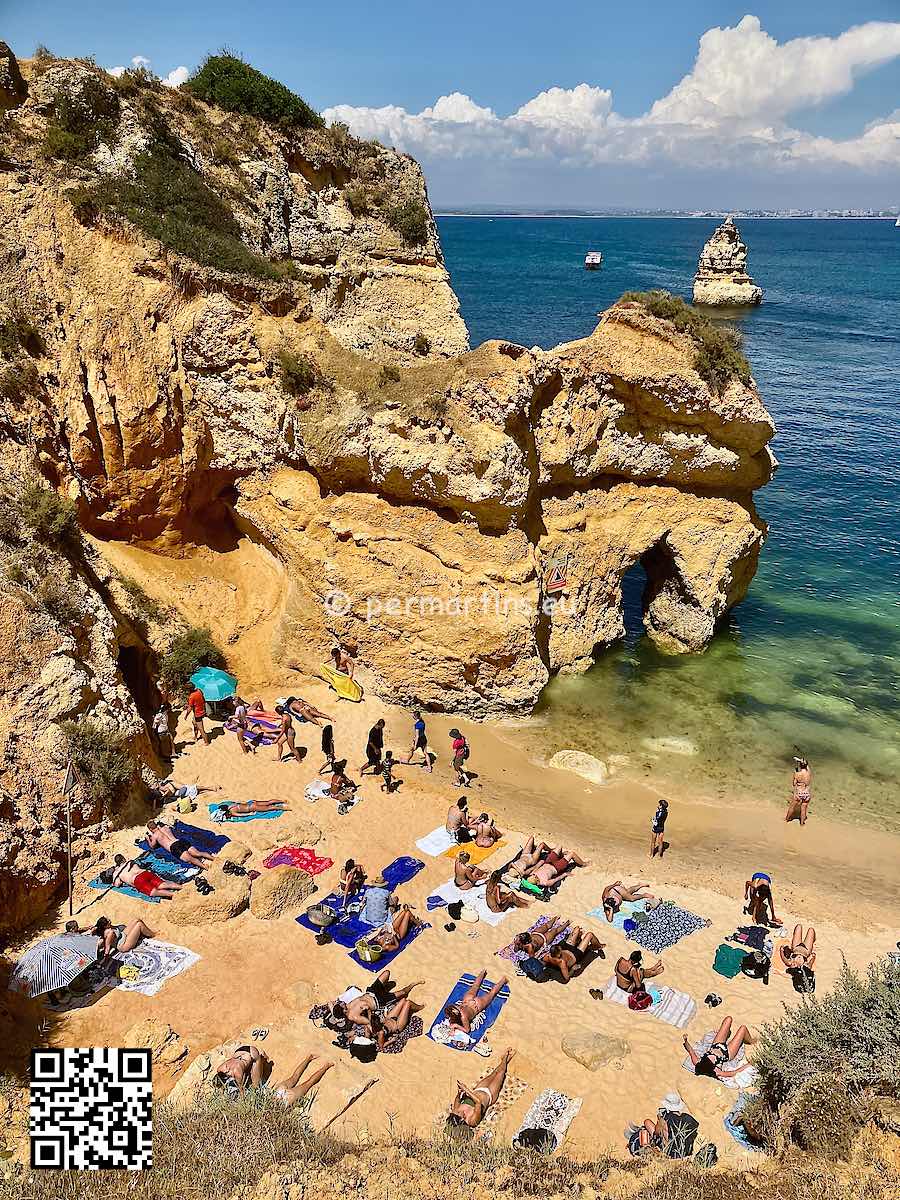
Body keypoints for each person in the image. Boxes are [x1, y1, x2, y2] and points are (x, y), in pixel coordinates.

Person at [447, 1048, 515, 1130]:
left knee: (494, 1073)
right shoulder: (471, 1121)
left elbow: (457, 1100)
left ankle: (504, 1061)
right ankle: (505, 1058)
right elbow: (478, 1103)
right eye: (458, 1114)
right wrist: (466, 1090)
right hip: (489, 1095)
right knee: (501, 1074)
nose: (458, 1112)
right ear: (461, 1119)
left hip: (478, 1089)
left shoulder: (455, 1112)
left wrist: (459, 1093)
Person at [683, 1016, 755, 1080]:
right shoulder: (716, 1071)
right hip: (727, 1053)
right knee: (743, 1028)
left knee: (728, 1019)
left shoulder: (698, 1062)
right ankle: (751, 1041)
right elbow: (733, 1073)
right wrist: (748, 1064)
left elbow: (690, 1050)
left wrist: (686, 1040)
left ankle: (725, 1033)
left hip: (716, 1045)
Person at [443, 969, 508, 1035]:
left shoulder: (464, 1017)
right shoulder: (455, 1008)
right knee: (475, 985)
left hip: (477, 1005)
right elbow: (453, 1013)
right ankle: (483, 972)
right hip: (467, 1000)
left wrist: (456, 1026)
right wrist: (453, 1028)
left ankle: (504, 980)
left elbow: (467, 1030)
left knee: (492, 993)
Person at [100, 855, 183, 899]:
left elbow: (117, 884)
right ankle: (181, 887)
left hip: (137, 880)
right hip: (145, 873)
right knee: (162, 884)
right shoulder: (129, 862)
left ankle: (173, 895)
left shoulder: (116, 873)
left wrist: (118, 880)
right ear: (123, 859)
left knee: (153, 892)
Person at [146, 820, 216, 868]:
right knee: (198, 853)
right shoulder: (165, 827)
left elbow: (152, 846)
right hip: (180, 841)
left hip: (173, 847)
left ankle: (204, 867)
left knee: (191, 859)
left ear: (150, 829)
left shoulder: (155, 835)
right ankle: (213, 858)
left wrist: (148, 839)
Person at [90, 916, 155, 964]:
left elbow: (96, 927)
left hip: (123, 935)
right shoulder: (110, 933)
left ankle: (145, 932)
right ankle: (152, 935)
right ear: (105, 926)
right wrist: (105, 960)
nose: (109, 920)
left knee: (137, 920)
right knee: (139, 925)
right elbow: (107, 948)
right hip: (124, 945)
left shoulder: (106, 927)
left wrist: (93, 928)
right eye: (108, 921)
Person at [786, 758, 812, 826]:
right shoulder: (809, 773)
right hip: (807, 793)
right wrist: (800, 761)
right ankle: (802, 823)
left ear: (800, 766)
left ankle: (787, 820)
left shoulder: (798, 774)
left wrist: (795, 773)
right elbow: (807, 766)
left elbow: (794, 784)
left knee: (792, 808)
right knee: (803, 810)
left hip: (799, 793)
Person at [215, 799, 287, 820]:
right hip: (251, 802)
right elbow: (240, 802)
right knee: (268, 802)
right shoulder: (231, 805)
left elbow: (241, 815)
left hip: (252, 808)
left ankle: (282, 808)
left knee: (269, 808)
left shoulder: (232, 812)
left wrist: (249, 814)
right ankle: (282, 801)